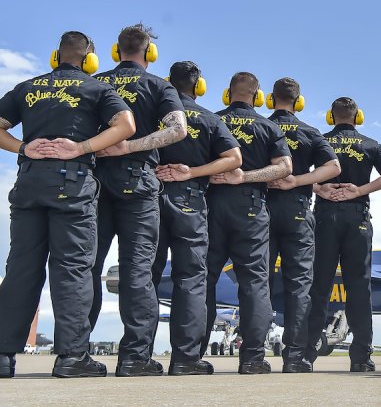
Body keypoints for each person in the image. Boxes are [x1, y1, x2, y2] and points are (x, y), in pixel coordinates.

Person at [0, 31, 135, 378]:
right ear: (90, 59)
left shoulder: (28, 87)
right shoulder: (97, 88)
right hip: (72, 184)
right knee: (72, 267)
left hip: (29, 182)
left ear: (55, 56)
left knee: (21, 268)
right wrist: (82, 147)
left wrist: (22, 147)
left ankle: (2, 355)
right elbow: (126, 125)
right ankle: (72, 357)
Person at [90, 24, 188, 377]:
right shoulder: (158, 85)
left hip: (93, 183)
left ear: (115, 52)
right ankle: (134, 358)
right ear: (150, 53)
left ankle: (73, 353)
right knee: (137, 270)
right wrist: (129, 146)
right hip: (138, 182)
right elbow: (178, 129)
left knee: (88, 268)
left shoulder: (95, 83)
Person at [151, 61, 242, 376]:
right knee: (190, 278)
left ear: (168, 82)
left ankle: (135, 356)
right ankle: (186, 359)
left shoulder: (153, 113)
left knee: (146, 275)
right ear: (199, 87)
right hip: (189, 200)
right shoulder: (210, 119)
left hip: (149, 198)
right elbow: (234, 159)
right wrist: (192, 172)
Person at [203, 72, 292, 374]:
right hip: (250, 206)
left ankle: (189, 356)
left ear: (226, 94)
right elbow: (284, 167)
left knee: (202, 279)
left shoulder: (212, 120)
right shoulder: (268, 126)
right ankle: (252, 358)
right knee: (254, 282)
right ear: (258, 96)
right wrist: (245, 177)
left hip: (210, 205)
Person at [305, 97, 381, 372]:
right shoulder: (370, 144)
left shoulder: (319, 141)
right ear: (358, 117)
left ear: (330, 116)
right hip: (357, 217)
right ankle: (361, 358)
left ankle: (306, 355)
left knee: (318, 286)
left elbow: (295, 172)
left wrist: (319, 188)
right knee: (359, 287)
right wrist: (360, 190)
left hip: (324, 216)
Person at [264, 77, 341, 373]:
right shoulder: (309, 132)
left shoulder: (261, 125)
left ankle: (252, 354)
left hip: (260, 210)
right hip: (296, 211)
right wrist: (298, 180)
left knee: (259, 281)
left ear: (269, 99)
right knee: (299, 285)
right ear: (299, 102)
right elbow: (333, 167)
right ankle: (295, 356)